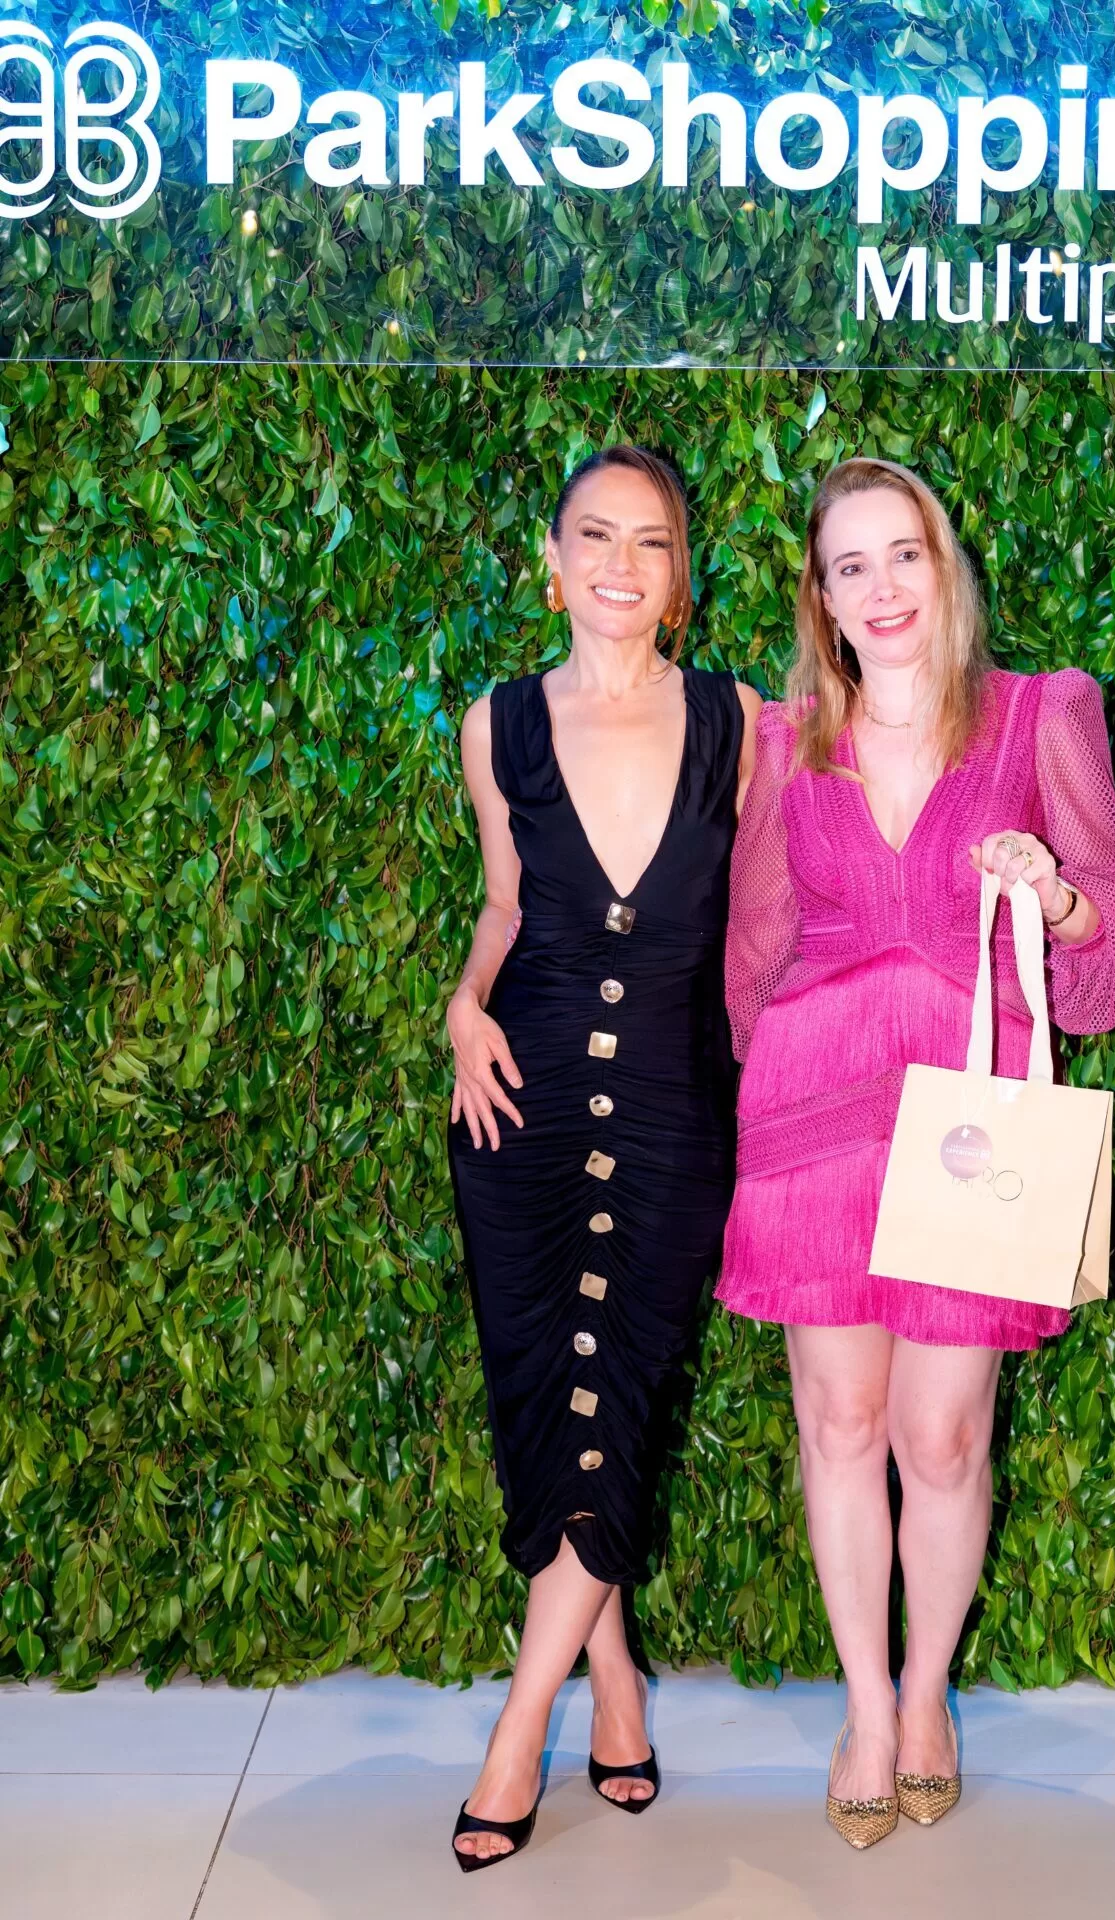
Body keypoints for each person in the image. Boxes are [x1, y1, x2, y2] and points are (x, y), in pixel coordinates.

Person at [717, 456, 1115, 1848]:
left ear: (942, 563)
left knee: (942, 1434)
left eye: (902, 554)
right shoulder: (788, 741)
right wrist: (770, 1092)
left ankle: (926, 1696)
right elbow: (755, 940)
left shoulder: (1035, 716)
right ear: (822, 597)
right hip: (817, 1119)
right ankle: (864, 1707)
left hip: (967, 1126)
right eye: (850, 566)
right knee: (840, 1426)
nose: (883, 587)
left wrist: (1056, 901)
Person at [445, 444, 760, 1869]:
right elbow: (505, 902)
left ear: (680, 575)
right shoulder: (497, 723)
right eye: (595, 535)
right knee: (547, 1398)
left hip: (675, 1111)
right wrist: (463, 1003)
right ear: (553, 560)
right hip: (520, 1102)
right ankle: (614, 1682)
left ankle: (520, 1732)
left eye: (650, 541)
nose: (621, 564)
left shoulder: (739, 721)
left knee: (619, 1386)